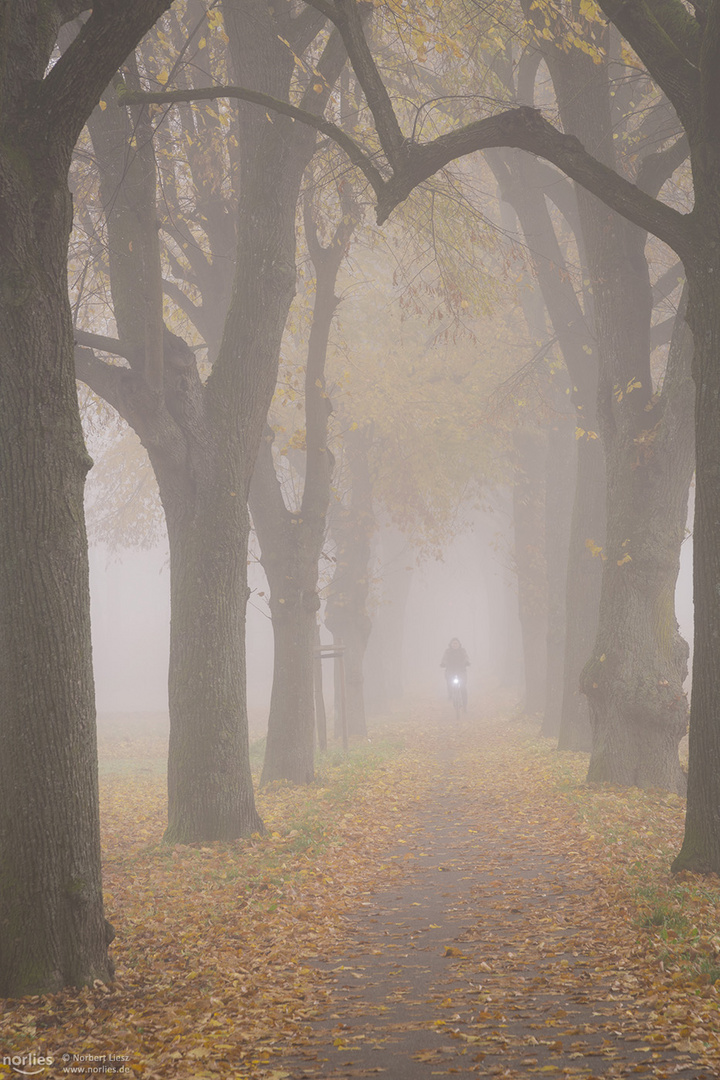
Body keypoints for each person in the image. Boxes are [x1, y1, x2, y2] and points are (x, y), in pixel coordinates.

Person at [441, 638, 470, 710]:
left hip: (461, 671)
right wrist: (443, 663)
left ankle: (465, 705)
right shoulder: (448, 651)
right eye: (453, 643)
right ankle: (451, 694)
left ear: (459, 644)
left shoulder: (462, 651)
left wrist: (467, 662)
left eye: (456, 643)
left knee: (463, 687)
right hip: (450, 671)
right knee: (449, 683)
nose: (454, 645)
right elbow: (444, 658)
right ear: (450, 644)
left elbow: (466, 657)